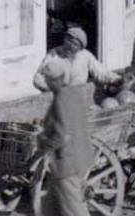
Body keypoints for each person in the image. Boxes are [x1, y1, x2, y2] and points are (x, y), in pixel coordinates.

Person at [38, 59, 93, 216]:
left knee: (74, 210)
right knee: (50, 209)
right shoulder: (71, 93)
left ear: (57, 79)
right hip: (73, 160)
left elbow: (62, 136)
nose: (47, 83)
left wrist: (43, 142)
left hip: (68, 163)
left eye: (49, 79)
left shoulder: (61, 99)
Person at [34, 26, 119, 93]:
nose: (70, 45)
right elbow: (38, 77)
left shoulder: (85, 56)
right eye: (68, 40)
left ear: (80, 48)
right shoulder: (53, 54)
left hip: (78, 96)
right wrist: (49, 88)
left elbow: (100, 71)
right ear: (64, 39)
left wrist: (116, 79)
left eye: (75, 44)